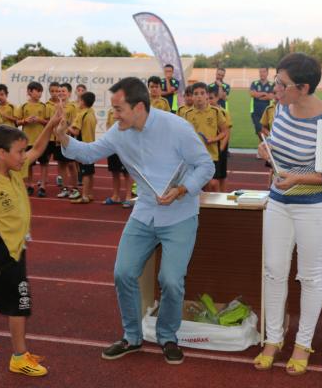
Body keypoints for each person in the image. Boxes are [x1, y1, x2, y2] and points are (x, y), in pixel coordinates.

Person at [54, 77, 214, 365]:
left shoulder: (176, 127)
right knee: (123, 273)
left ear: (139, 107)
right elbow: (90, 152)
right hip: (144, 213)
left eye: (118, 109)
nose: (114, 115)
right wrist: (64, 137)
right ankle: (132, 337)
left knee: (171, 281)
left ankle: (167, 336)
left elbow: (206, 165)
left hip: (180, 214)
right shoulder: (119, 132)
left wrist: (181, 190)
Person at [255, 53, 322, 376]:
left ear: (303, 88)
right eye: (276, 80)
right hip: (278, 202)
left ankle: (303, 344)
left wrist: (298, 178)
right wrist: (268, 151)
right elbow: (278, 147)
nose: (275, 88)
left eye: (281, 84)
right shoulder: (281, 109)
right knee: (273, 270)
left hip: (315, 207)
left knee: (310, 276)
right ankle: (273, 339)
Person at [0, 117, 59, 377]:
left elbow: (38, 149)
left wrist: (51, 124)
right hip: (3, 253)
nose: (24, 156)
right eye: (19, 151)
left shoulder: (15, 171)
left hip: (17, 247)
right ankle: (19, 356)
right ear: (2, 154)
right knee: (20, 300)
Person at [183, 82, 228, 192]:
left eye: (202, 93)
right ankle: (201, 208)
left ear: (207, 95)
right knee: (200, 185)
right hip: (194, 156)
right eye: (196, 94)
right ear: (192, 96)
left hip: (211, 155)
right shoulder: (187, 114)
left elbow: (224, 131)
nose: (199, 96)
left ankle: (216, 207)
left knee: (213, 183)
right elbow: (183, 136)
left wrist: (214, 139)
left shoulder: (215, 112)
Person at [15, 82, 50, 197]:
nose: (39, 93)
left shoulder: (44, 106)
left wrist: (39, 120)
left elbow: (48, 122)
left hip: (41, 140)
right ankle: (29, 185)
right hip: (27, 141)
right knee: (28, 164)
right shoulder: (24, 106)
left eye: (41, 91)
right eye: (37, 91)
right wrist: (25, 121)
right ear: (30, 91)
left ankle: (43, 186)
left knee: (44, 163)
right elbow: (16, 122)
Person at [68, 92, 97, 204]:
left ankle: (84, 196)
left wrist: (66, 125)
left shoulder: (81, 114)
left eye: (79, 100)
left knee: (84, 172)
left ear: (83, 102)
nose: (77, 102)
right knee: (90, 171)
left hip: (83, 146)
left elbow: (76, 131)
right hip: (92, 145)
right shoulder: (92, 112)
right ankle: (90, 194)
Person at [55, 83, 81, 200]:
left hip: (68, 138)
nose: (60, 93)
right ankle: (65, 188)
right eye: (59, 91)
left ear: (69, 93)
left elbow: (74, 122)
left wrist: (67, 125)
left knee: (71, 164)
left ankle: (75, 188)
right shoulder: (57, 106)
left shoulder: (73, 107)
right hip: (57, 138)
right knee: (61, 164)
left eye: (63, 91)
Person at [104, 107, 133, 208]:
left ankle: (128, 197)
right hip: (112, 145)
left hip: (125, 145)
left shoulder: (129, 110)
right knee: (114, 171)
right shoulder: (111, 111)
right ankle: (115, 196)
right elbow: (108, 125)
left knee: (127, 172)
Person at [208, 87, 233, 192]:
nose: (209, 101)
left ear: (217, 98)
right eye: (207, 98)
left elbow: (227, 132)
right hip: (210, 148)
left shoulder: (223, 112)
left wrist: (221, 148)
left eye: (211, 98)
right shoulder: (207, 112)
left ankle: (223, 196)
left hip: (220, 148)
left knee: (221, 175)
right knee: (211, 177)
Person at [250, 68, 275, 157]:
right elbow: (253, 94)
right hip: (255, 111)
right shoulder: (255, 83)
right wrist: (264, 94)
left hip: (268, 112)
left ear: (267, 73)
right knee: (259, 131)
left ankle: (262, 150)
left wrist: (259, 94)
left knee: (266, 130)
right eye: (260, 72)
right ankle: (264, 148)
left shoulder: (272, 84)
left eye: (264, 72)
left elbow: (271, 96)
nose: (262, 73)